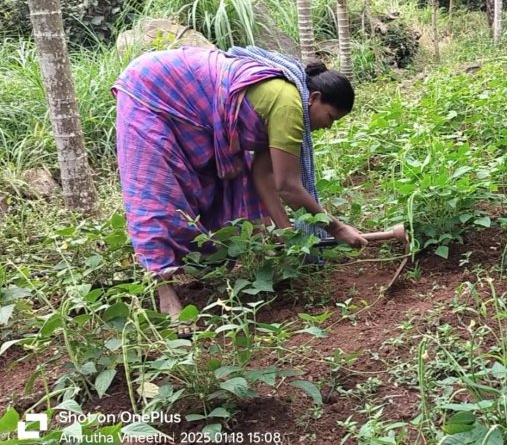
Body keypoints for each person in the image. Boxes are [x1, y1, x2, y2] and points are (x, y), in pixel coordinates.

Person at [112, 46, 367, 335]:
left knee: (231, 182)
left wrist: (288, 237)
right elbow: (288, 187)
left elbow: (263, 174)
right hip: (153, 88)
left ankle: (223, 259)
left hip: (188, 103)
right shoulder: (289, 106)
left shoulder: (283, 100)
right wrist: (337, 228)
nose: (328, 127)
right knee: (156, 193)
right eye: (331, 117)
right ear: (316, 99)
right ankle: (166, 295)